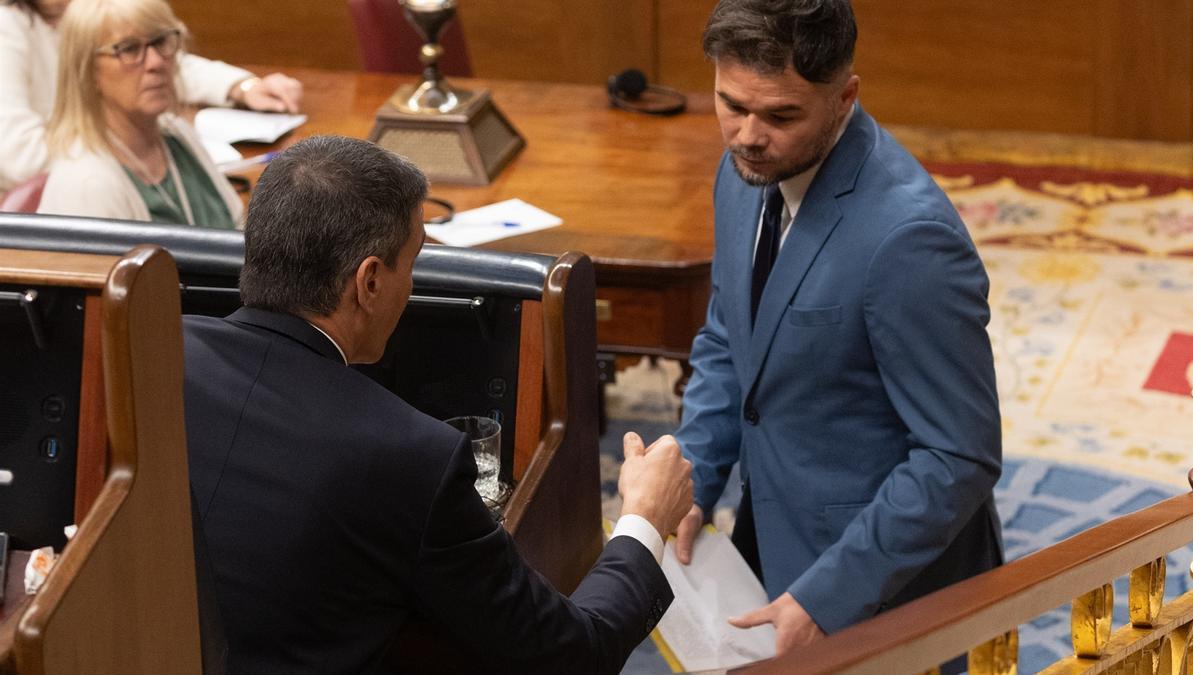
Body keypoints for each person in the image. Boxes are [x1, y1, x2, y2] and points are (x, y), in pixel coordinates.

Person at [182, 134, 695, 673]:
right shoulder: (409, 455)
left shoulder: (158, 354)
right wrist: (644, 518)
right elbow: (574, 653)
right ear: (370, 281)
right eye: (413, 261)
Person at [671, 0, 1004, 656]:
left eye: (781, 116)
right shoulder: (743, 173)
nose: (747, 135)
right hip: (767, 534)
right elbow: (730, 339)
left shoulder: (910, 240)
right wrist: (696, 476)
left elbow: (958, 456)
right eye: (731, 105)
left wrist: (831, 596)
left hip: (883, 589)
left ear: (844, 96)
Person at [0, 0, 301, 192]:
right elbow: (19, 156)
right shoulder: (8, 25)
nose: (153, 62)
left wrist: (241, 86)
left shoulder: (90, 6)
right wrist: (123, 150)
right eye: (128, 48)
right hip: (65, 193)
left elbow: (156, 60)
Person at [33, 0, 242, 226]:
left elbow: (239, 226)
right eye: (129, 49)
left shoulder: (176, 133)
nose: (156, 62)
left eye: (160, 41)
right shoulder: (86, 184)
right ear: (87, 70)